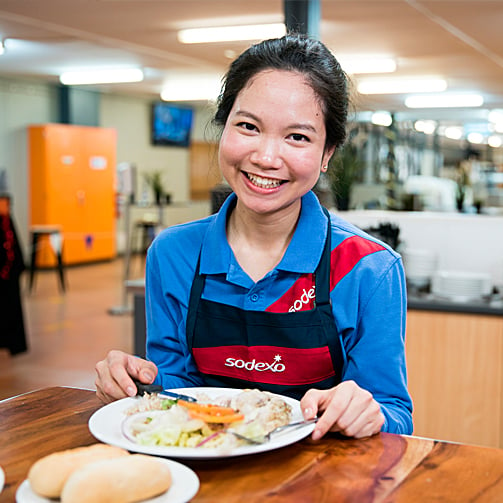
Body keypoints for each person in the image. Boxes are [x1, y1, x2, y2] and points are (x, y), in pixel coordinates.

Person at [96, 33, 413, 440]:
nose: (265, 157)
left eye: (297, 136)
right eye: (248, 126)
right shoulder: (173, 254)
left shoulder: (369, 268)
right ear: (223, 125)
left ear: (328, 152)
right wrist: (137, 387)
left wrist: (370, 414)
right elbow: (173, 391)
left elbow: (396, 416)